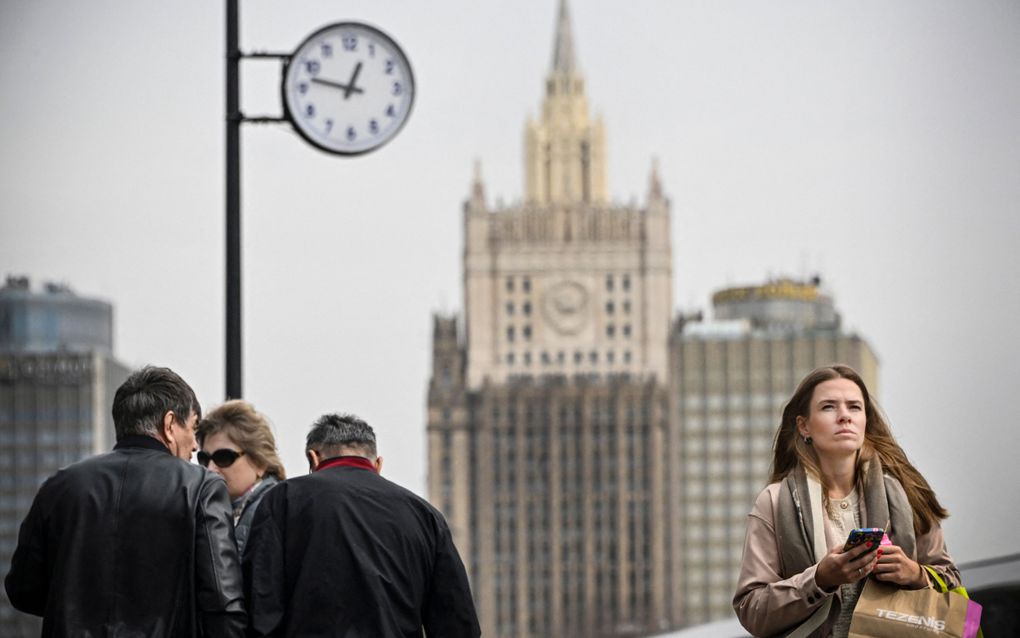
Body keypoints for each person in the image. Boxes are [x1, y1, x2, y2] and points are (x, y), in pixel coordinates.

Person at [4, 365, 245, 637]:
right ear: (169, 425)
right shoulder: (202, 487)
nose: (194, 445)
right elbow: (223, 603)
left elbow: (22, 590)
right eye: (192, 428)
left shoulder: (60, 486)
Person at [733, 364, 960, 637]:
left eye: (854, 407)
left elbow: (952, 583)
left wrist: (913, 573)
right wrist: (819, 580)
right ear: (804, 426)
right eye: (829, 407)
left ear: (865, 420)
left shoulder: (907, 492)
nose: (844, 417)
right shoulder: (773, 501)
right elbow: (751, 610)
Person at [243, 413, 481, 637]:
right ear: (377, 464)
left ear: (313, 458)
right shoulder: (425, 516)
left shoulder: (283, 499)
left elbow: (261, 607)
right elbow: (458, 623)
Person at [196, 399, 286, 554]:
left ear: (259, 462)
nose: (210, 468)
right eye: (204, 459)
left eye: (223, 457)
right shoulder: (216, 510)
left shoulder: (275, 513)